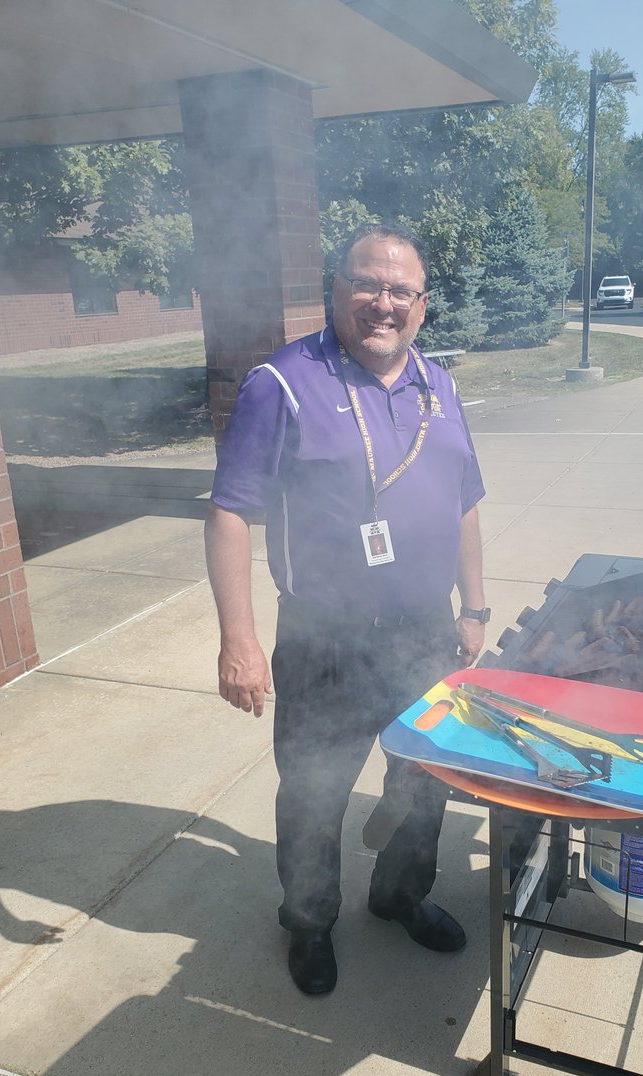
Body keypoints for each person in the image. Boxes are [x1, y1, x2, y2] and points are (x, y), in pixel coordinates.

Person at [204, 225, 488, 996]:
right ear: (337, 290)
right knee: (315, 795)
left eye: (401, 291)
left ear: (423, 305)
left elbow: (464, 502)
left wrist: (475, 607)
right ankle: (310, 921)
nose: (383, 303)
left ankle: (399, 896)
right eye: (368, 284)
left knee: (427, 780)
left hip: (425, 633)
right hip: (324, 639)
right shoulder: (283, 383)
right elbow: (230, 512)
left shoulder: (440, 385)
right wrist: (240, 640)